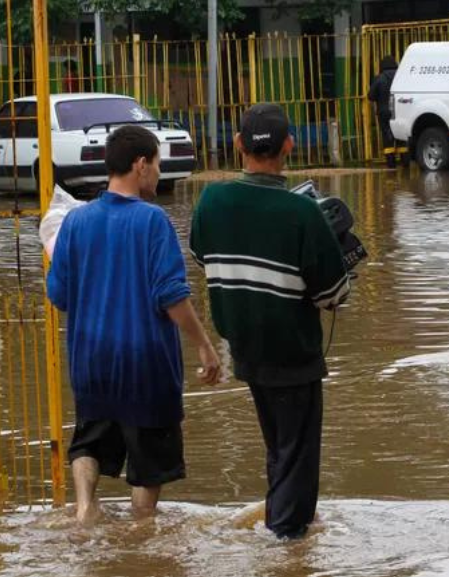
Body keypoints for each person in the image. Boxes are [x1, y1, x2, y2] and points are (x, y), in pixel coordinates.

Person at [189, 103, 350, 539]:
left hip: (245, 349)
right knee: (296, 454)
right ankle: (285, 546)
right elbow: (334, 295)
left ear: (238, 144)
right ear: (290, 146)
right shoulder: (303, 214)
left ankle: (288, 518)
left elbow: (203, 256)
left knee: (281, 448)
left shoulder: (212, 200)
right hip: (293, 353)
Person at [47, 125, 221, 524]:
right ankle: (142, 533)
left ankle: (85, 508)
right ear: (140, 164)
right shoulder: (152, 221)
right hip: (145, 366)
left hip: (91, 361)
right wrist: (203, 344)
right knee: (147, 468)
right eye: (157, 165)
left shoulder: (74, 223)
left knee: (88, 440)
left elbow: (58, 295)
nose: (159, 174)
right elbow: (171, 295)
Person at [367, 55, 408, 168]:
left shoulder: (379, 78)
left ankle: (391, 165)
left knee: (387, 135)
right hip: (400, 111)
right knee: (401, 136)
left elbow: (371, 96)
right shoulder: (402, 77)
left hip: (384, 112)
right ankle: (406, 164)